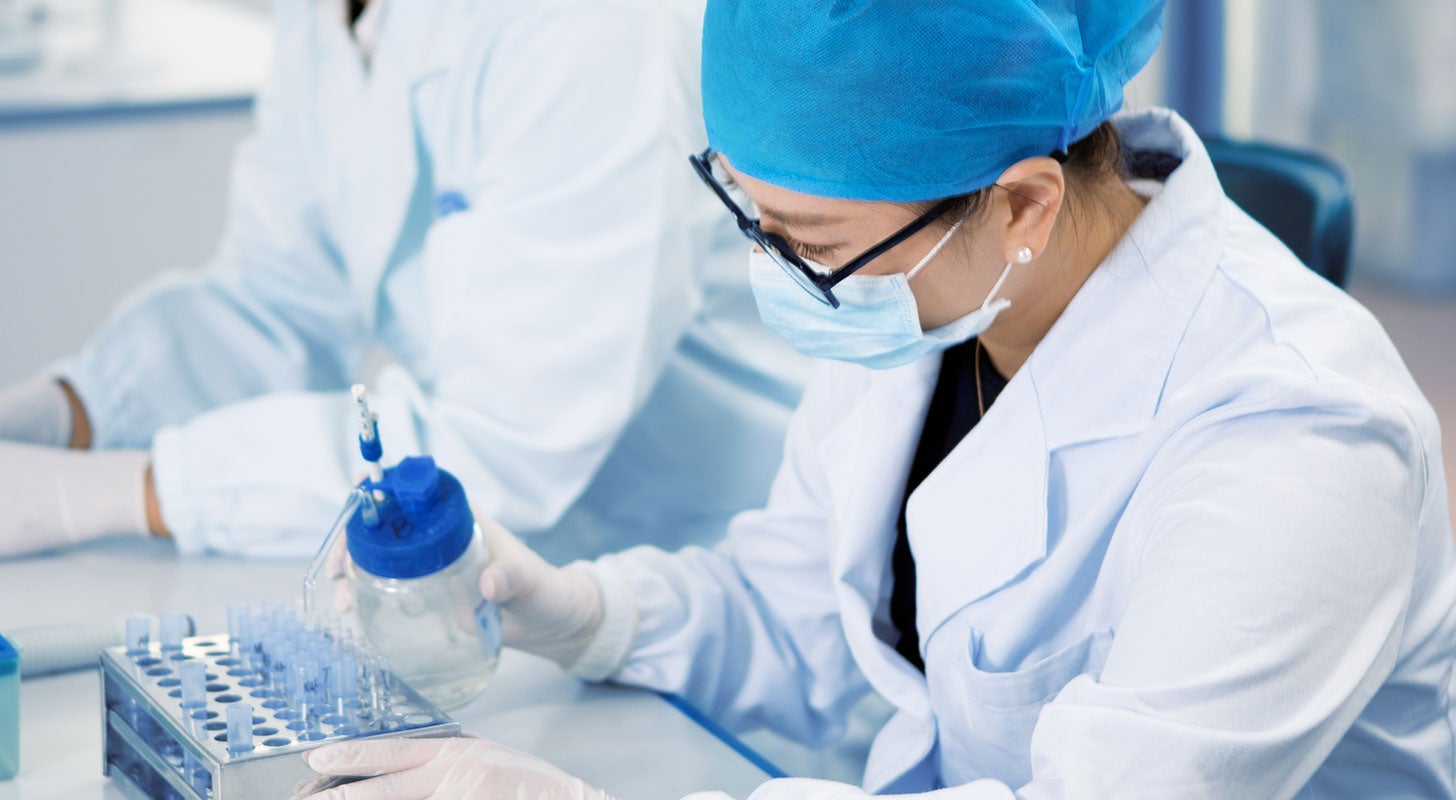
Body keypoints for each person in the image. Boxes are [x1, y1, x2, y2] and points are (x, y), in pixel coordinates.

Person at [295, 0, 1456, 797]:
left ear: (1024, 204)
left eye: (809, 243)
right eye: (754, 221)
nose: (779, 274)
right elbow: (797, 607)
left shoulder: (1299, 434)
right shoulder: (933, 290)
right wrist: (569, 606)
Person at [0, 0, 804, 568]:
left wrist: (94, 494)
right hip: (533, 577)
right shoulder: (334, 18)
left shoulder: (586, 29)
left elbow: (498, 446)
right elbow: (274, 300)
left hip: (708, 586)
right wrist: (61, 414)